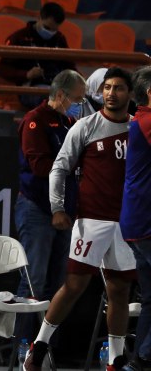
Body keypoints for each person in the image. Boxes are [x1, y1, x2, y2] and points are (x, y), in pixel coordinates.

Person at [24, 67, 137, 371]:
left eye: (118, 88)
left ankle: (115, 359)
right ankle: (39, 346)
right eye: (107, 87)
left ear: (130, 93)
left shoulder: (138, 129)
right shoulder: (86, 126)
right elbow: (59, 168)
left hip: (126, 223)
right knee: (74, 285)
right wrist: (58, 208)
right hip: (92, 220)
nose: (111, 93)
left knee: (119, 289)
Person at [13, 70, 86, 342]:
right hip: (37, 208)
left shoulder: (70, 122)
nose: (80, 104)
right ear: (61, 95)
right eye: (77, 99)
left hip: (65, 211)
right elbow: (41, 166)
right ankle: (22, 346)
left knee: (58, 284)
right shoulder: (35, 121)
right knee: (34, 280)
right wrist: (72, 164)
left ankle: (44, 348)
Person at [120, 66, 151, 371]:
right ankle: (143, 357)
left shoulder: (139, 120)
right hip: (146, 223)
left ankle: (138, 364)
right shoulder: (148, 121)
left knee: (150, 300)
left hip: (137, 222)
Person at [0, 2, 77, 110]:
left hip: (56, 87)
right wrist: (26, 74)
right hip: (31, 88)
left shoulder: (59, 38)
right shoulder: (19, 38)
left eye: (54, 30)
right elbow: (2, 69)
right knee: (51, 100)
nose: (50, 32)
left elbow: (70, 66)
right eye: (47, 27)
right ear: (39, 18)